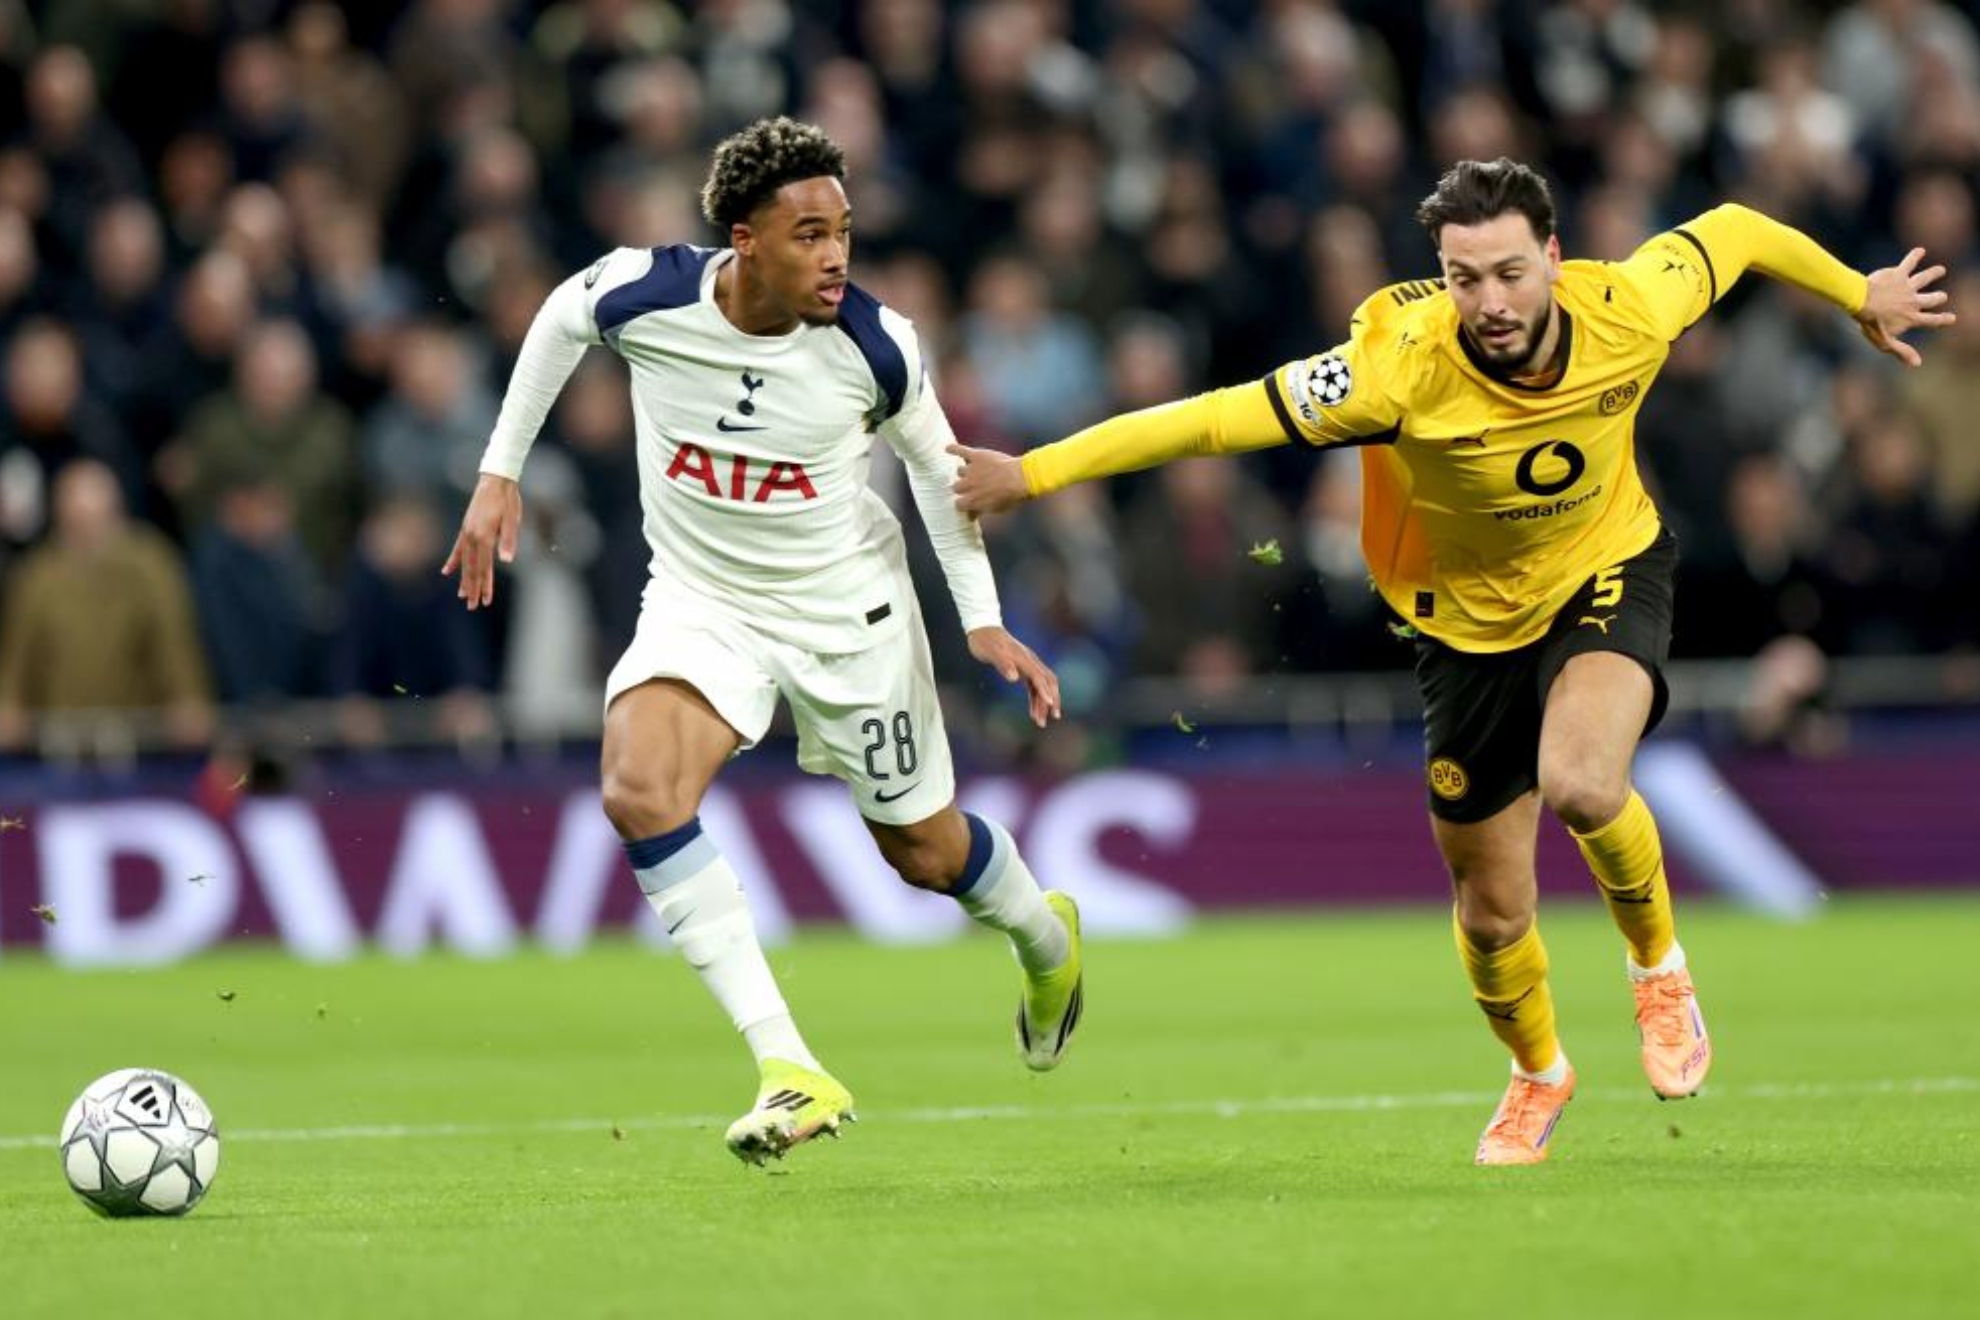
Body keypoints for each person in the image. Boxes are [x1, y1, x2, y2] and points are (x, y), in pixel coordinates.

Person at [953, 158, 1954, 1166]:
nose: (1489, 301)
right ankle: (1539, 1073)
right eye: (1463, 276)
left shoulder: (1631, 312)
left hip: (1603, 573)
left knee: (1582, 781)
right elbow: (1212, 418)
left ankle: (1660, 969)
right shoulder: (1395, 368)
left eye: (1511, 272)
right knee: (1489, 912)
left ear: (1555, 259)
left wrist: (1856, 292)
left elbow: (1735, 228)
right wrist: (1033, 473)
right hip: (1462, 633)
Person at [445, 118, 1083, 1167]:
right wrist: (498, 469)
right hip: (705, 600)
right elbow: (562, 316)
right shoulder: (651, 293)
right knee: (639, 789)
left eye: (844, 233)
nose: (835, 257)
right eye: (809, 235)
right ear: (744, 242)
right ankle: (790, 1066)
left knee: (922, 852)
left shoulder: (875, 347)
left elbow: (942, 472)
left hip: (848, 616)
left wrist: (980, 618)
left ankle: (1044, 937)